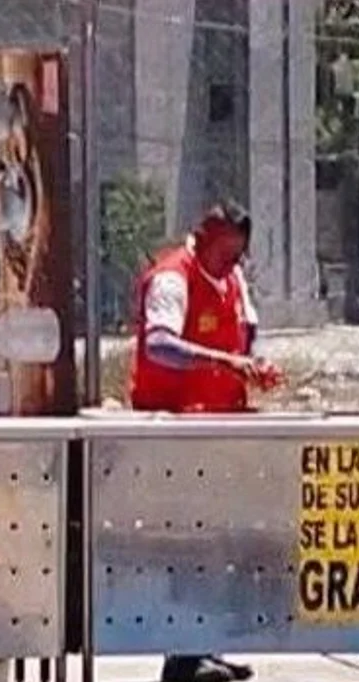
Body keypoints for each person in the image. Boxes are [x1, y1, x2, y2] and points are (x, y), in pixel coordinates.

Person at [128, 200, 281, 682]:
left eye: (238, 255)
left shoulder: (232, 278)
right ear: (204, 239)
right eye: (226, 254)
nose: (232, 264)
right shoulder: (173, 278)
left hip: (221, 431)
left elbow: (247, 327)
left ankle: (207, 648)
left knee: (224, 547)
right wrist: (225, 362)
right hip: (175, 434)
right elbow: (160, 344)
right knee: (186, 550)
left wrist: (253, 362)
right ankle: (183, 660)